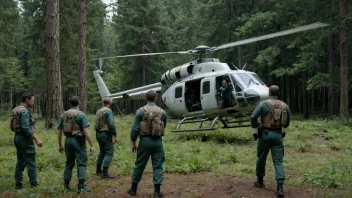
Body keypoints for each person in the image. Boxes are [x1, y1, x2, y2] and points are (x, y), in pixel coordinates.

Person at [250, 85, 290, 197]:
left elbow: (253, 117)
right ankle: (280, 188)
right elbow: (286, 124)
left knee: (261, 158)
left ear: (269, 93)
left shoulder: (263, 104)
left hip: (265, 135)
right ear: (278, 93)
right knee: (278, 161)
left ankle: (260, 181)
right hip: (278, 135)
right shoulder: (284, 106)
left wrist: (256, 126)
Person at [127, 90, 167, 198]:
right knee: (158, 165)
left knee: (139, 165)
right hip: (157, 142)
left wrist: (133, 141)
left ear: (145, 98)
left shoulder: (140, 111)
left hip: (144, 141)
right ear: (156, 98)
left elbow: (135, 128)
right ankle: (157, 192)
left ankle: (133, 189)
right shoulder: (162, 112)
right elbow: (164, 125)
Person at [57, 96, 94, 193]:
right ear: (79, 103)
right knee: (81, 163)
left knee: (69, 163)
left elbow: (59, 131)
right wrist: (92, 145)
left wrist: (60, 145)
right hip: (78, 141)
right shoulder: (81, 115)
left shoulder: (64, 115)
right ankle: (81, 187)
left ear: (71, 103)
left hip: (67, 141)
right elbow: (86, 132)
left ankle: (66, 185)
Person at [11, 93, 43, 189]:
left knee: (20, 162)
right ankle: (34, 185)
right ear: (27, 100)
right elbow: (25, 127)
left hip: (17, 137)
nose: (33, 102)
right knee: (31, 162)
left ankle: (18, 185)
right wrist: (36, 139)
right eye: (32, 100)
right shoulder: (24, 112)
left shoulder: (16, 109)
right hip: (24, 139)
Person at [94, 97, 118, 178]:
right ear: (110, 103)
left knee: (102, 151)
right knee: (109, 152)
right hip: (105, 134)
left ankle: (98, 169)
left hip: (98, 134)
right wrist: (115, 134)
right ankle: (105, 173)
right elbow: (111, 124)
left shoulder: (99, 111)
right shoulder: (108, 111)